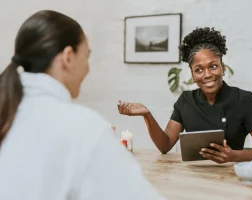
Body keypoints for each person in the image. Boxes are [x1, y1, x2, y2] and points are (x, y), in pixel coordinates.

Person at [0, 10, 164, 200]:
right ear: (68, 57)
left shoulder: (8, 112)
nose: (87, 67)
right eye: (86, 56)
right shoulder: (83, 127)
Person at [118, 27, 252, 164]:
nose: (207, 75)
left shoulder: (244, 100)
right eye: (199, 69)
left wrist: (234, 155)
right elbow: (165, 145)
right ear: (193, 75)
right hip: (194, 176)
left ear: (223, 68)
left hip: (232, 174)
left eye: (213, 66)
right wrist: (147, 115)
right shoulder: (186, 101)